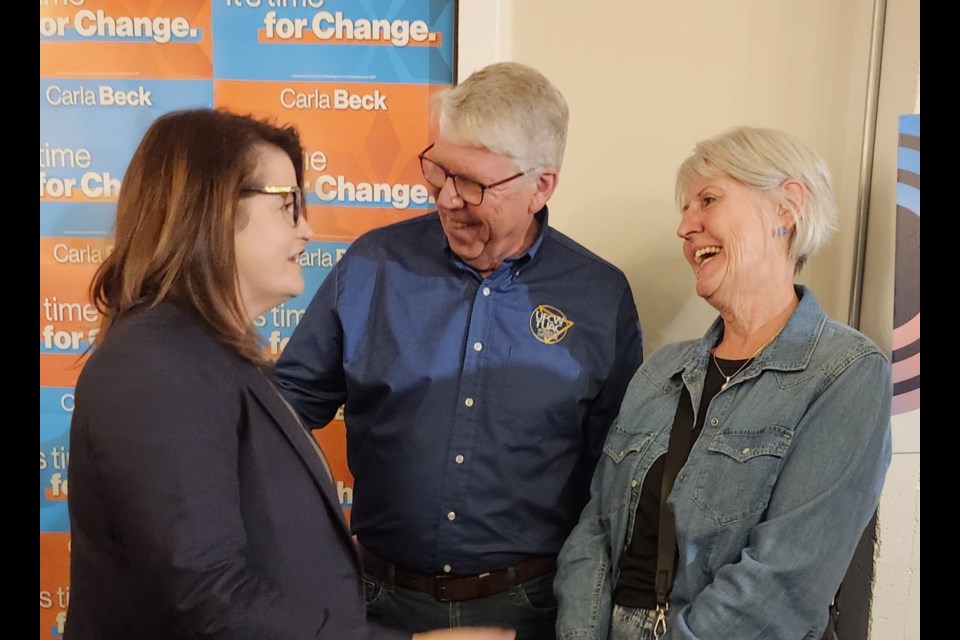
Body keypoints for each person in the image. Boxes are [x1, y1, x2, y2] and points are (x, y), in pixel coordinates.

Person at [64, 108, 513, 640]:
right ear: (213, 209)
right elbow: (205, 597)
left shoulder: (209, 354)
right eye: (287, 207)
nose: (307, 230)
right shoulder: (155, 364)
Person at [273, 62, 644, 640]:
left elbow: (615, 475)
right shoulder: (374, 264)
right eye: (439, 170)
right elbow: (282, 414)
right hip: (375, 604)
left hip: (527, 609)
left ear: (540, 185)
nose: (447, 197)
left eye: (472, 182)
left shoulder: (600, 296)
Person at [554, 126, 892, 640]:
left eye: (708, 200)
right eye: (685, 210)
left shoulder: (846, 372)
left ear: (786, 208)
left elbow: (785, 583)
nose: (685, 227)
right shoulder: (660, 370)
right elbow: (594, 530)